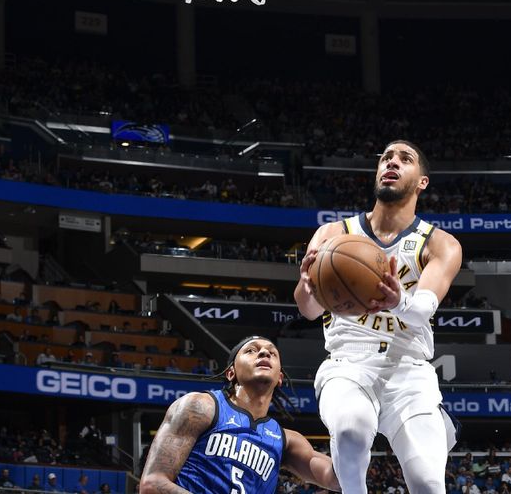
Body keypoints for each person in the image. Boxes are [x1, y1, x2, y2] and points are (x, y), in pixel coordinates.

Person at [294, 140, 463, 494]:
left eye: (405, 159)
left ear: (422, 182)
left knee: (428, 483)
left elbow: (422, 311)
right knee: (352, 431)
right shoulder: (333, 235)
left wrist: (398, 300)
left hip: (409, 371)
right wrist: (310, 286)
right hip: (348, 363)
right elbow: (307, 311)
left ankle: (435, 419)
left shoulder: (440, 243)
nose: (392, 162)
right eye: (386, 157)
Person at [139, 335, 340, 494]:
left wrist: (351, 425)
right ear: (231, 372)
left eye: (272, 352)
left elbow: (338, 479)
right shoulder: (200, 407)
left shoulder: (286, 440)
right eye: (251, 350)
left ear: (280, 378)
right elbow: (152, 485)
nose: (263, 353)